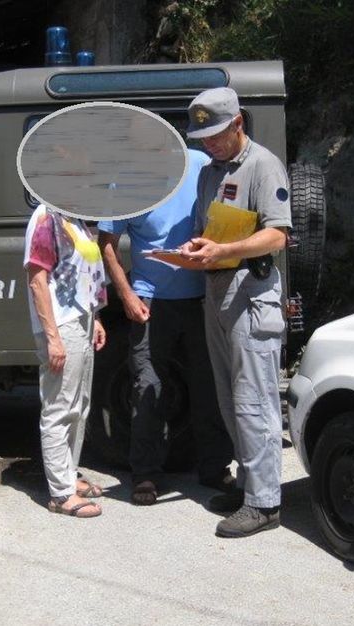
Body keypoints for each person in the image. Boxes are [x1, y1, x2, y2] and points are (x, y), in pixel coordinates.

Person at [179, 87, 292, 538]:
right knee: (229, 397)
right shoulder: (210, 173)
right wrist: (193, 249)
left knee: (254, 400)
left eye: (215, 135)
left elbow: (278, 235)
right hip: (218, 290)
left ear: (238, 124)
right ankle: (249, 484)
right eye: (202, 137)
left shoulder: (263, 165)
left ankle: (265, 503)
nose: (208, 144)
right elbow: (206, 230)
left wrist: (224, 250)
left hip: (251, 291)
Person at [98, 148, 236, 506]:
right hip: (150, 300)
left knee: (209, 386)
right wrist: (126, 295)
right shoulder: (126, 180)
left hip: (202, 297)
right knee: (147, 387)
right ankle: (145, 473)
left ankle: (215, 467)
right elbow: (107, 245)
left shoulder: (201, 164)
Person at [24, 203, 109, 518]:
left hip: (81, 319)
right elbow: (37, 279)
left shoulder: (73, 218)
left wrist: (95, 318)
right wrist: (52, 337)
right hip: (61, 324)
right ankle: (61, 494)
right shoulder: (46, 217)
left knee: (79, 406)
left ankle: (69, 476)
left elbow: (83, 273)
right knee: (60, 408)